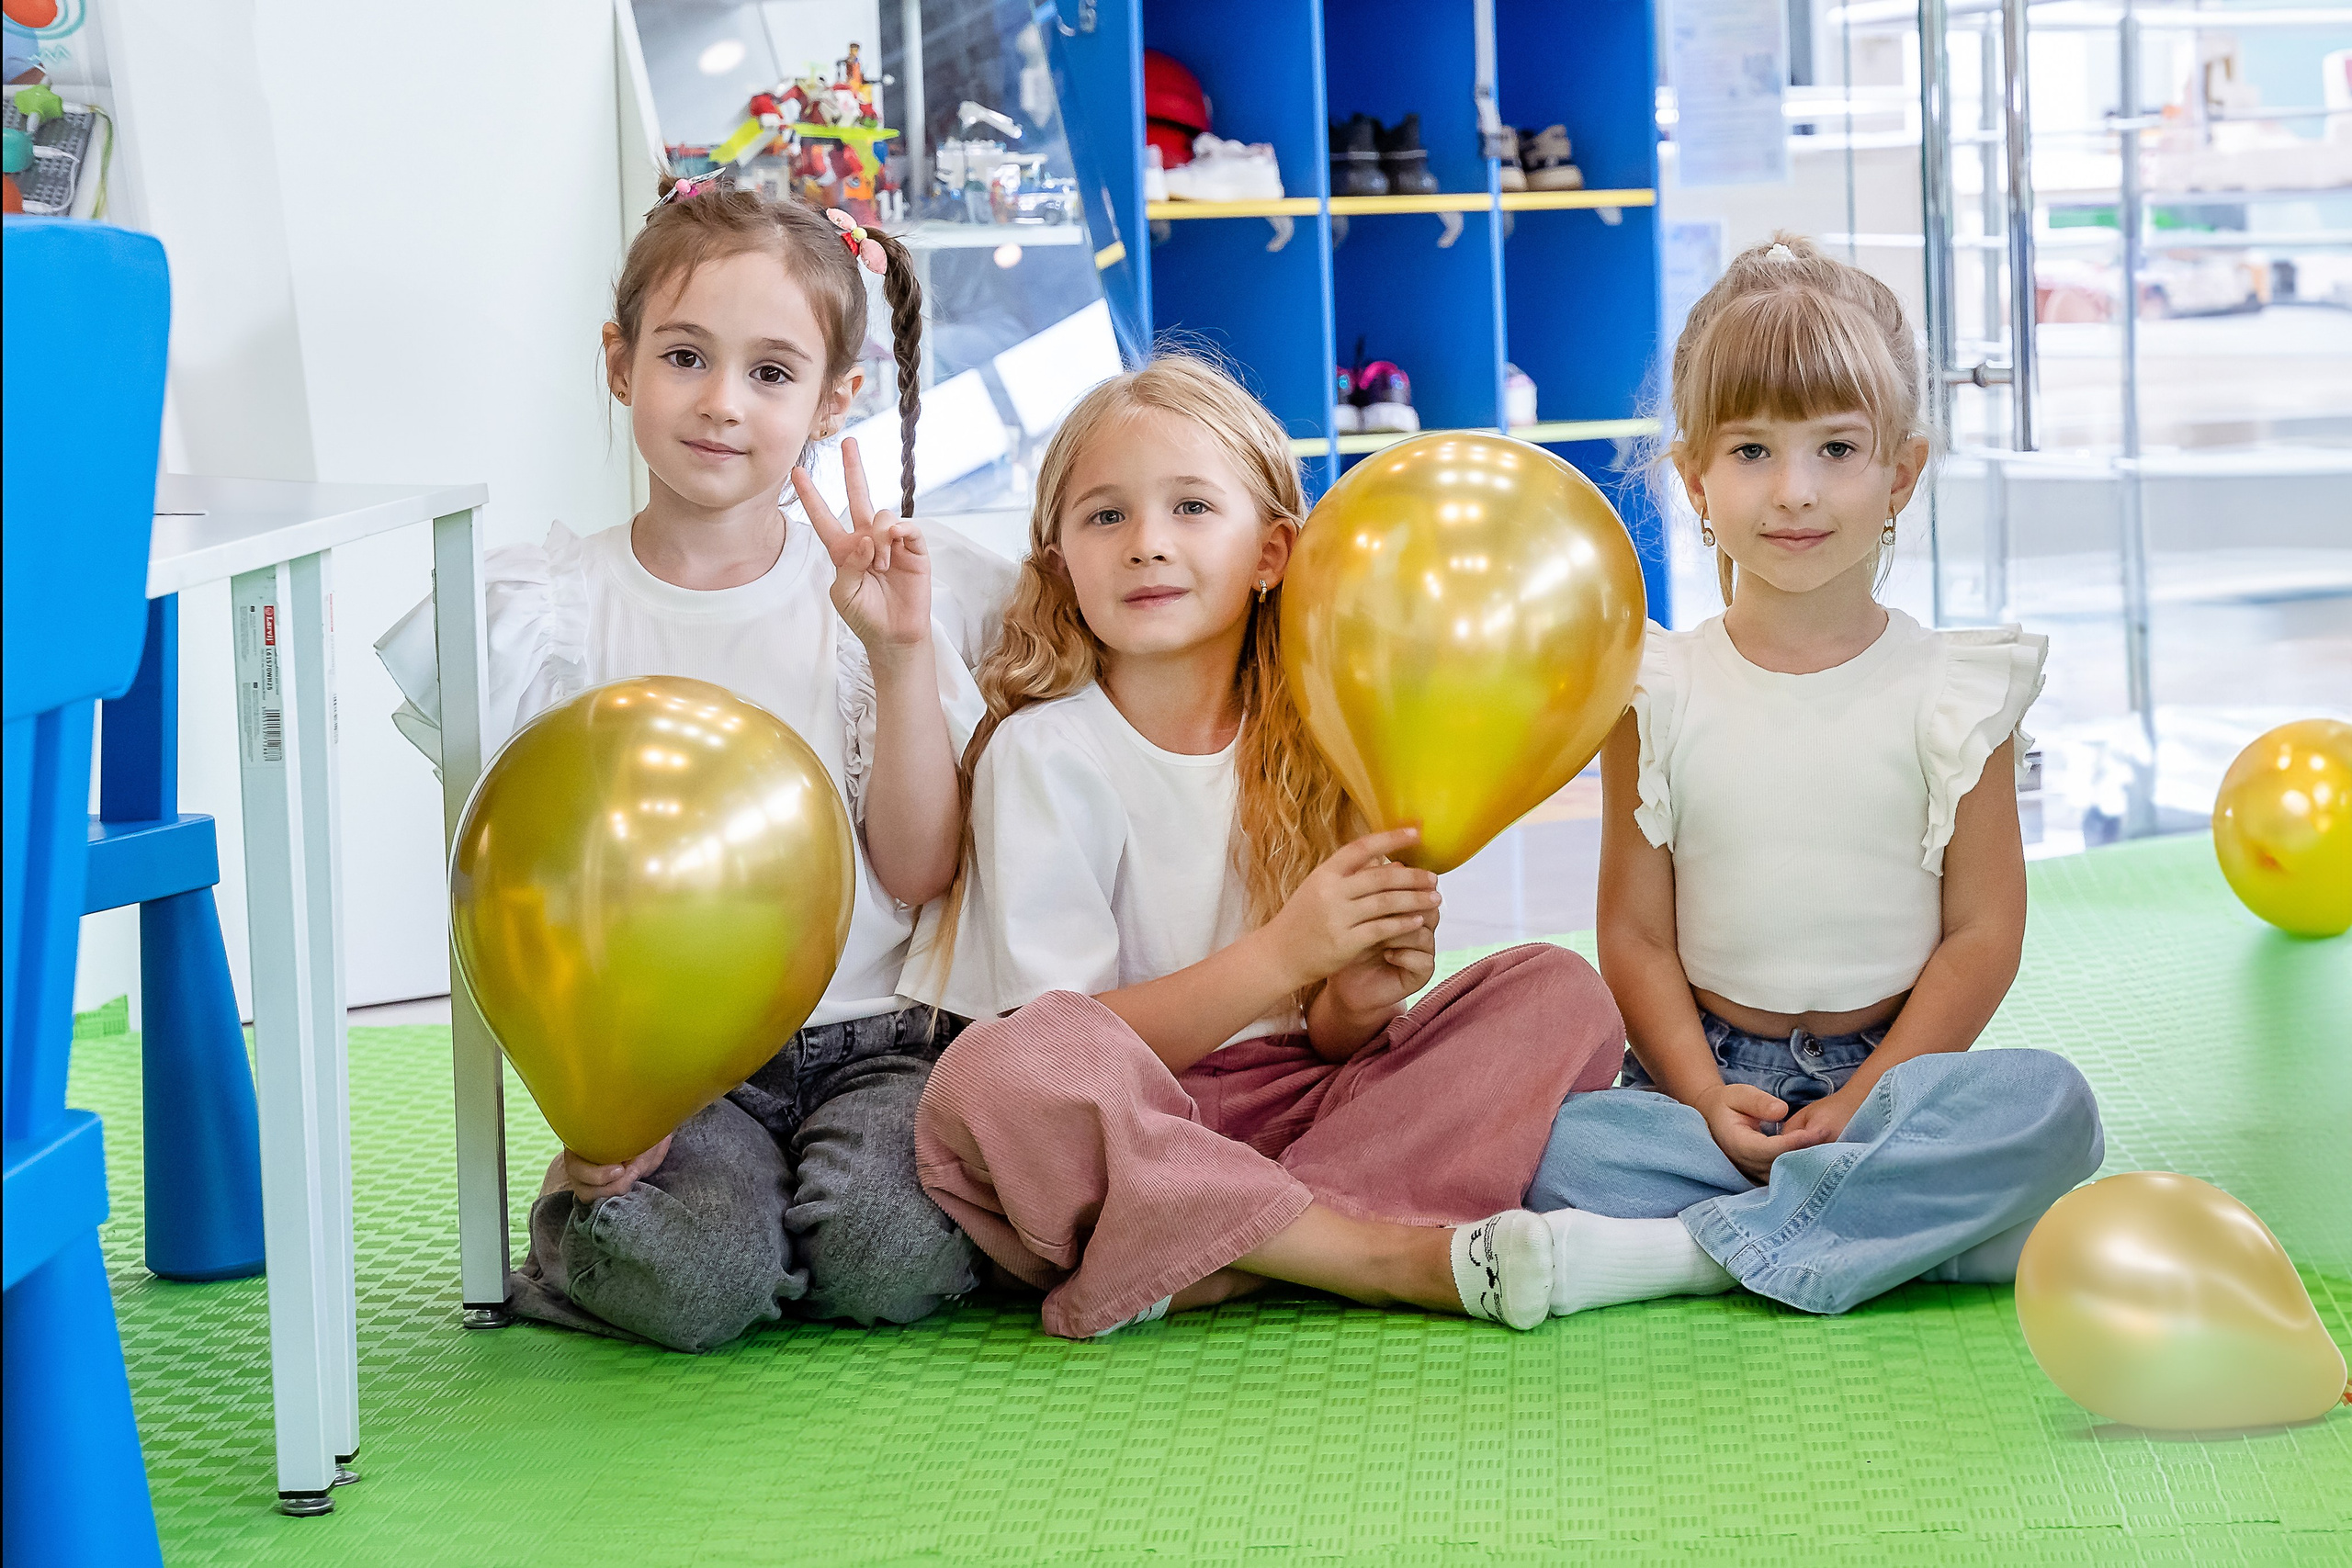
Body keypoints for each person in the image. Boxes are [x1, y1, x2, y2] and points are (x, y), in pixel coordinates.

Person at [376, 179, 1012, 1350]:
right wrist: (598, 1100)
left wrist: (901, 651)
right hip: (675, 1072)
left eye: (771, 373)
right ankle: (678, 1236)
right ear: (619, 363)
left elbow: (918, 871)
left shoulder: (870, 603)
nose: (722, 404)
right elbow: (514, 887)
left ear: (836, 398)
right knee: (697, 1286)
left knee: (889, 1255)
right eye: (684, 357)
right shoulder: (547, 608)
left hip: (879, 1042)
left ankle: (777, 1238)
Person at [908, 355, 1628, 1340]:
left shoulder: (1330, 723)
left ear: (1271, 554)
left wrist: (1357, 996)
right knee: (994, 1075)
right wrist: (1287, 953)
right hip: (1144, 1118)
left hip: (1313, 1106)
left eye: (1191, 509)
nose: (1146, 546)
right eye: (1104, 516)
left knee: (1560, 990)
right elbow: (1071, 1039)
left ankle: (1231, 1254)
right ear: (1059, 560)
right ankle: (1375, 1257)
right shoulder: (1046, 750)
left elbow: (1330, 1044)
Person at [1525, 234, 2104, 1317]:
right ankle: (1902, 1233)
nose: (1794, 492)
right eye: (1751, 452)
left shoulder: (1954, 689)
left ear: (1901, 473)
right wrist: (1700, 1096)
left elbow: (1984, 934)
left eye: (1836, 449)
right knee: (1554, 1143)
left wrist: (1875, 1091)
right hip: (1699, 1078)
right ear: (1693, 476)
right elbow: (1636, 934)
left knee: (2051, 1107)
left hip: (1896, 1077)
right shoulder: (1654, 687)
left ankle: (1693, 1255)